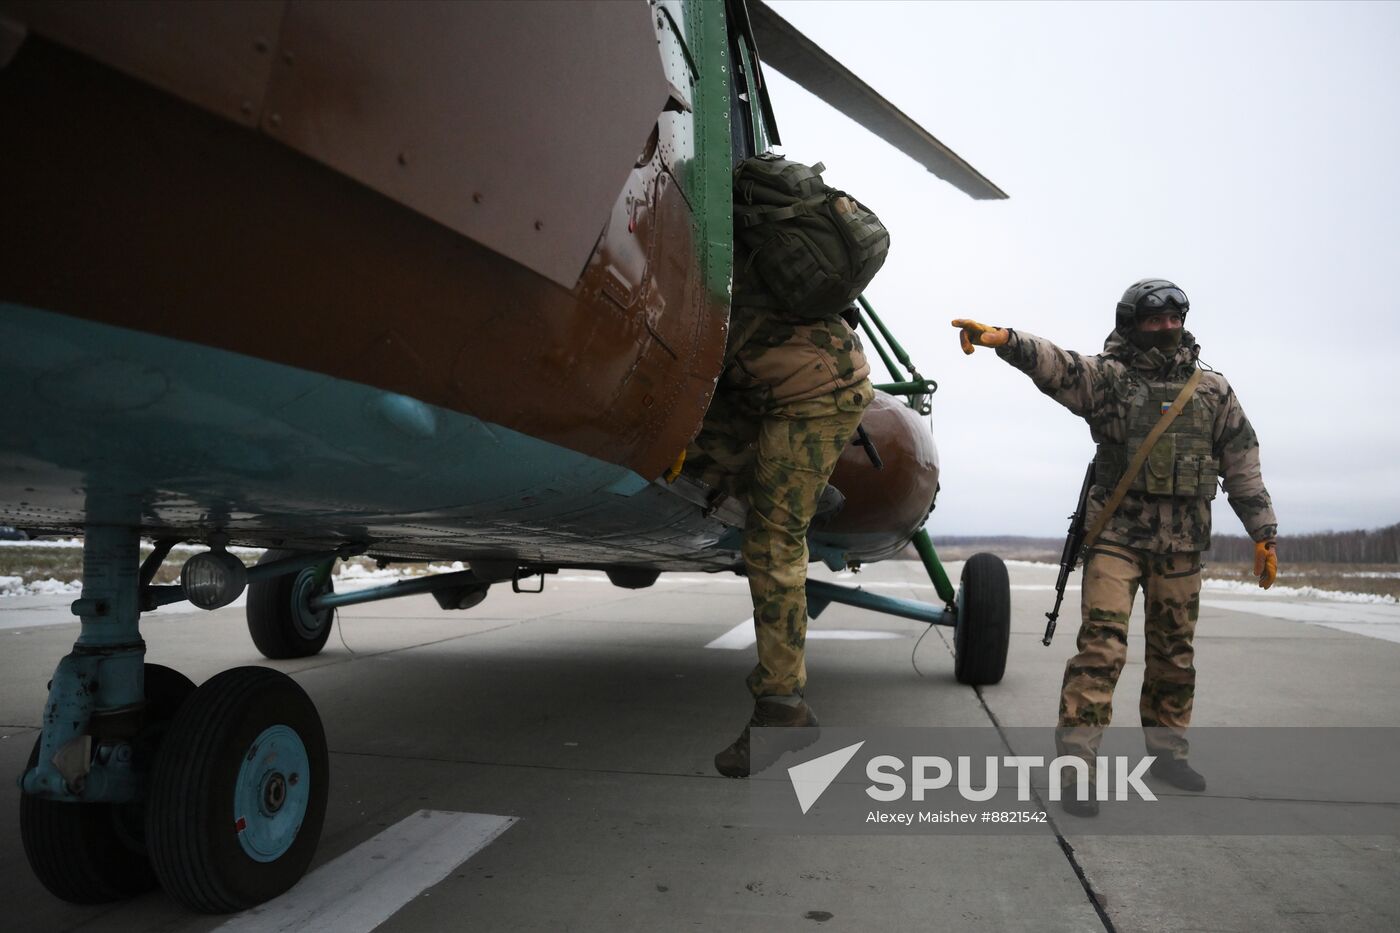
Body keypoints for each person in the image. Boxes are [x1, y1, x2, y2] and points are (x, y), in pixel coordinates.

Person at [951, 279, 1278, 816]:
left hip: (1182, 546)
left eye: (1175, 319)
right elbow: (1058, 365)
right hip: (1117, 540)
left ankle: (1168, 752)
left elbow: (1243, 464)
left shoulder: (1213, 391)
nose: (1168, 328)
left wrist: (1263, 533)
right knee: (1101, 650)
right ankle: (1076, 770)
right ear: (1132, 324)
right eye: (1155, 320)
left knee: (1175, 655)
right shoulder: (1110, 381)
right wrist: (1007, 340)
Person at [686, 272, 873, 778]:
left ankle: (782, 709)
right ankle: (795, 488)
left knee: (773, 543)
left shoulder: (723, 254)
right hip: (771, 384)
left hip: (817, 394)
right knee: (685, 450)